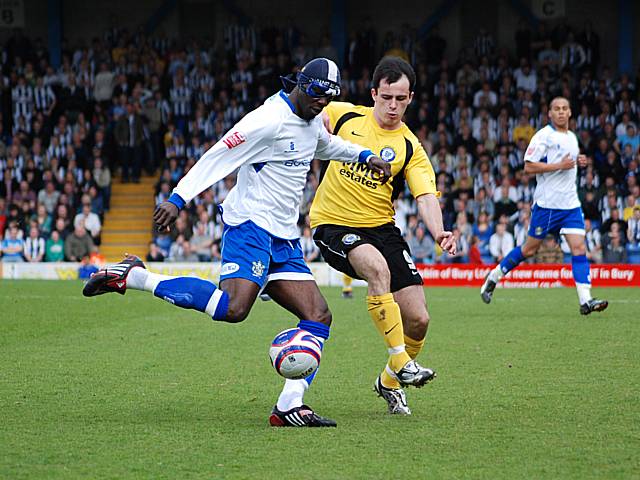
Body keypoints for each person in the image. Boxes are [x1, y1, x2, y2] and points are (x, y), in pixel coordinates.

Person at [82, 58, 391, 428]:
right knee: (233, 308)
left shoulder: (311, 120)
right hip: (250, 227)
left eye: (327, 100)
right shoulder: (266, 120)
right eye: (316, 96)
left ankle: (289, 406)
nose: (320, 105)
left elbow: (325, 145)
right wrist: (177, 198)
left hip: (284, 238)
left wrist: (364, 155)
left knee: (318, 316)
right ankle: (134, 276)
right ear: (301, 84)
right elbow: (218, 156)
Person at [310, 57, 457, 416]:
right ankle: (401, 360)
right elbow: (304, 119)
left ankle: (389, 382)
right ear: (374, 93)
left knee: (419, 319)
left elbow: (425, 195)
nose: (393, 106)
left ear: (410, 99)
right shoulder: (344, 115)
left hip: (382, 228)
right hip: (334, 223)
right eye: (387, 97)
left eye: (401, 99)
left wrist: (439, 231)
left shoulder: (410, 147)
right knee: (377, 270)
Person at [481, 97, 608, 315]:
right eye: (556, 109)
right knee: (529, 250)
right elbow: (528, 168)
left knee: (579, 248)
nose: (560, 112)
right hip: (547, 206)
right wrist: (560, 165)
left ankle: (585, 300)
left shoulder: (572, 138)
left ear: (570, 113)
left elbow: (569, 164)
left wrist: (579, 162)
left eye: (564, 109)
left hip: (570, 205)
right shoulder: (543, 136)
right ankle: (494, 276)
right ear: (549, 113)